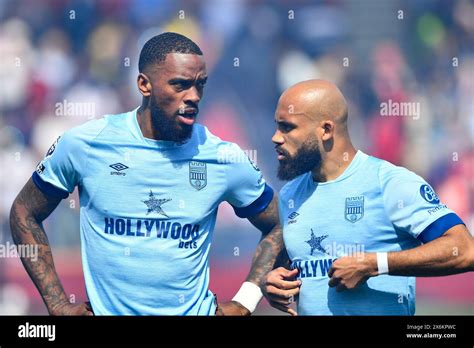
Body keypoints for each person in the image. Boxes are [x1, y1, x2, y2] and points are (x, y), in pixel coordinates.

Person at [9, 32, 284, 315]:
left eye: (200, 85)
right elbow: (24, 211)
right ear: (144, 84)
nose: (193, 96)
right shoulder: (86, 144)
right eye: (180, 85)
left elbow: (280, 223)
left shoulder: (222, 156)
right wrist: (57, 305)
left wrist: (246, 301)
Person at [263, 79, 474, 315]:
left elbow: (465, 249)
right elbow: (303, 264)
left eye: (287, 127)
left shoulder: (391, 183)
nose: (275, 137)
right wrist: (275, 284)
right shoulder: (290, 195)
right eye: (276, 126)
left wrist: (375, 264)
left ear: (326, 130)